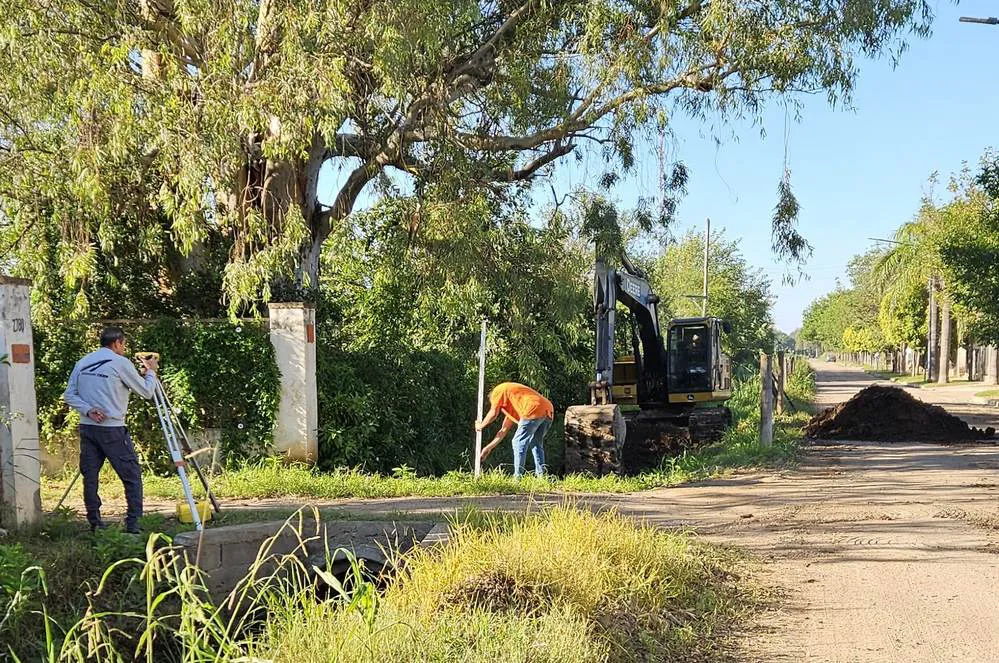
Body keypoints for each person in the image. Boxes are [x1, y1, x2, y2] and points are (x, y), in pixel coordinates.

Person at [63, 326, 159, 533]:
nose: (124, 349)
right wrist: (150, 372)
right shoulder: (119, 363)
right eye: (123, 344)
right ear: (116, 343)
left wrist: (88, 410)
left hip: (88, 427)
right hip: (113, 429)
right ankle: (134, 524)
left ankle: (95, 523)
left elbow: (69, 395)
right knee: (131, 476)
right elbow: (146, 391)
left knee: (90, 476)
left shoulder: (83, 362)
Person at [475, 382, 553, 478]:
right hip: (548, 408)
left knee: (518, 442)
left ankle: (518, 477)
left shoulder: (497, 391)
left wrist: (480, 425)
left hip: (533, 407)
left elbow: (493, 413)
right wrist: (488, 448)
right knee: (536, 442)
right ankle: (542, 477)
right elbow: (503, 430)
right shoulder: (515, 404)